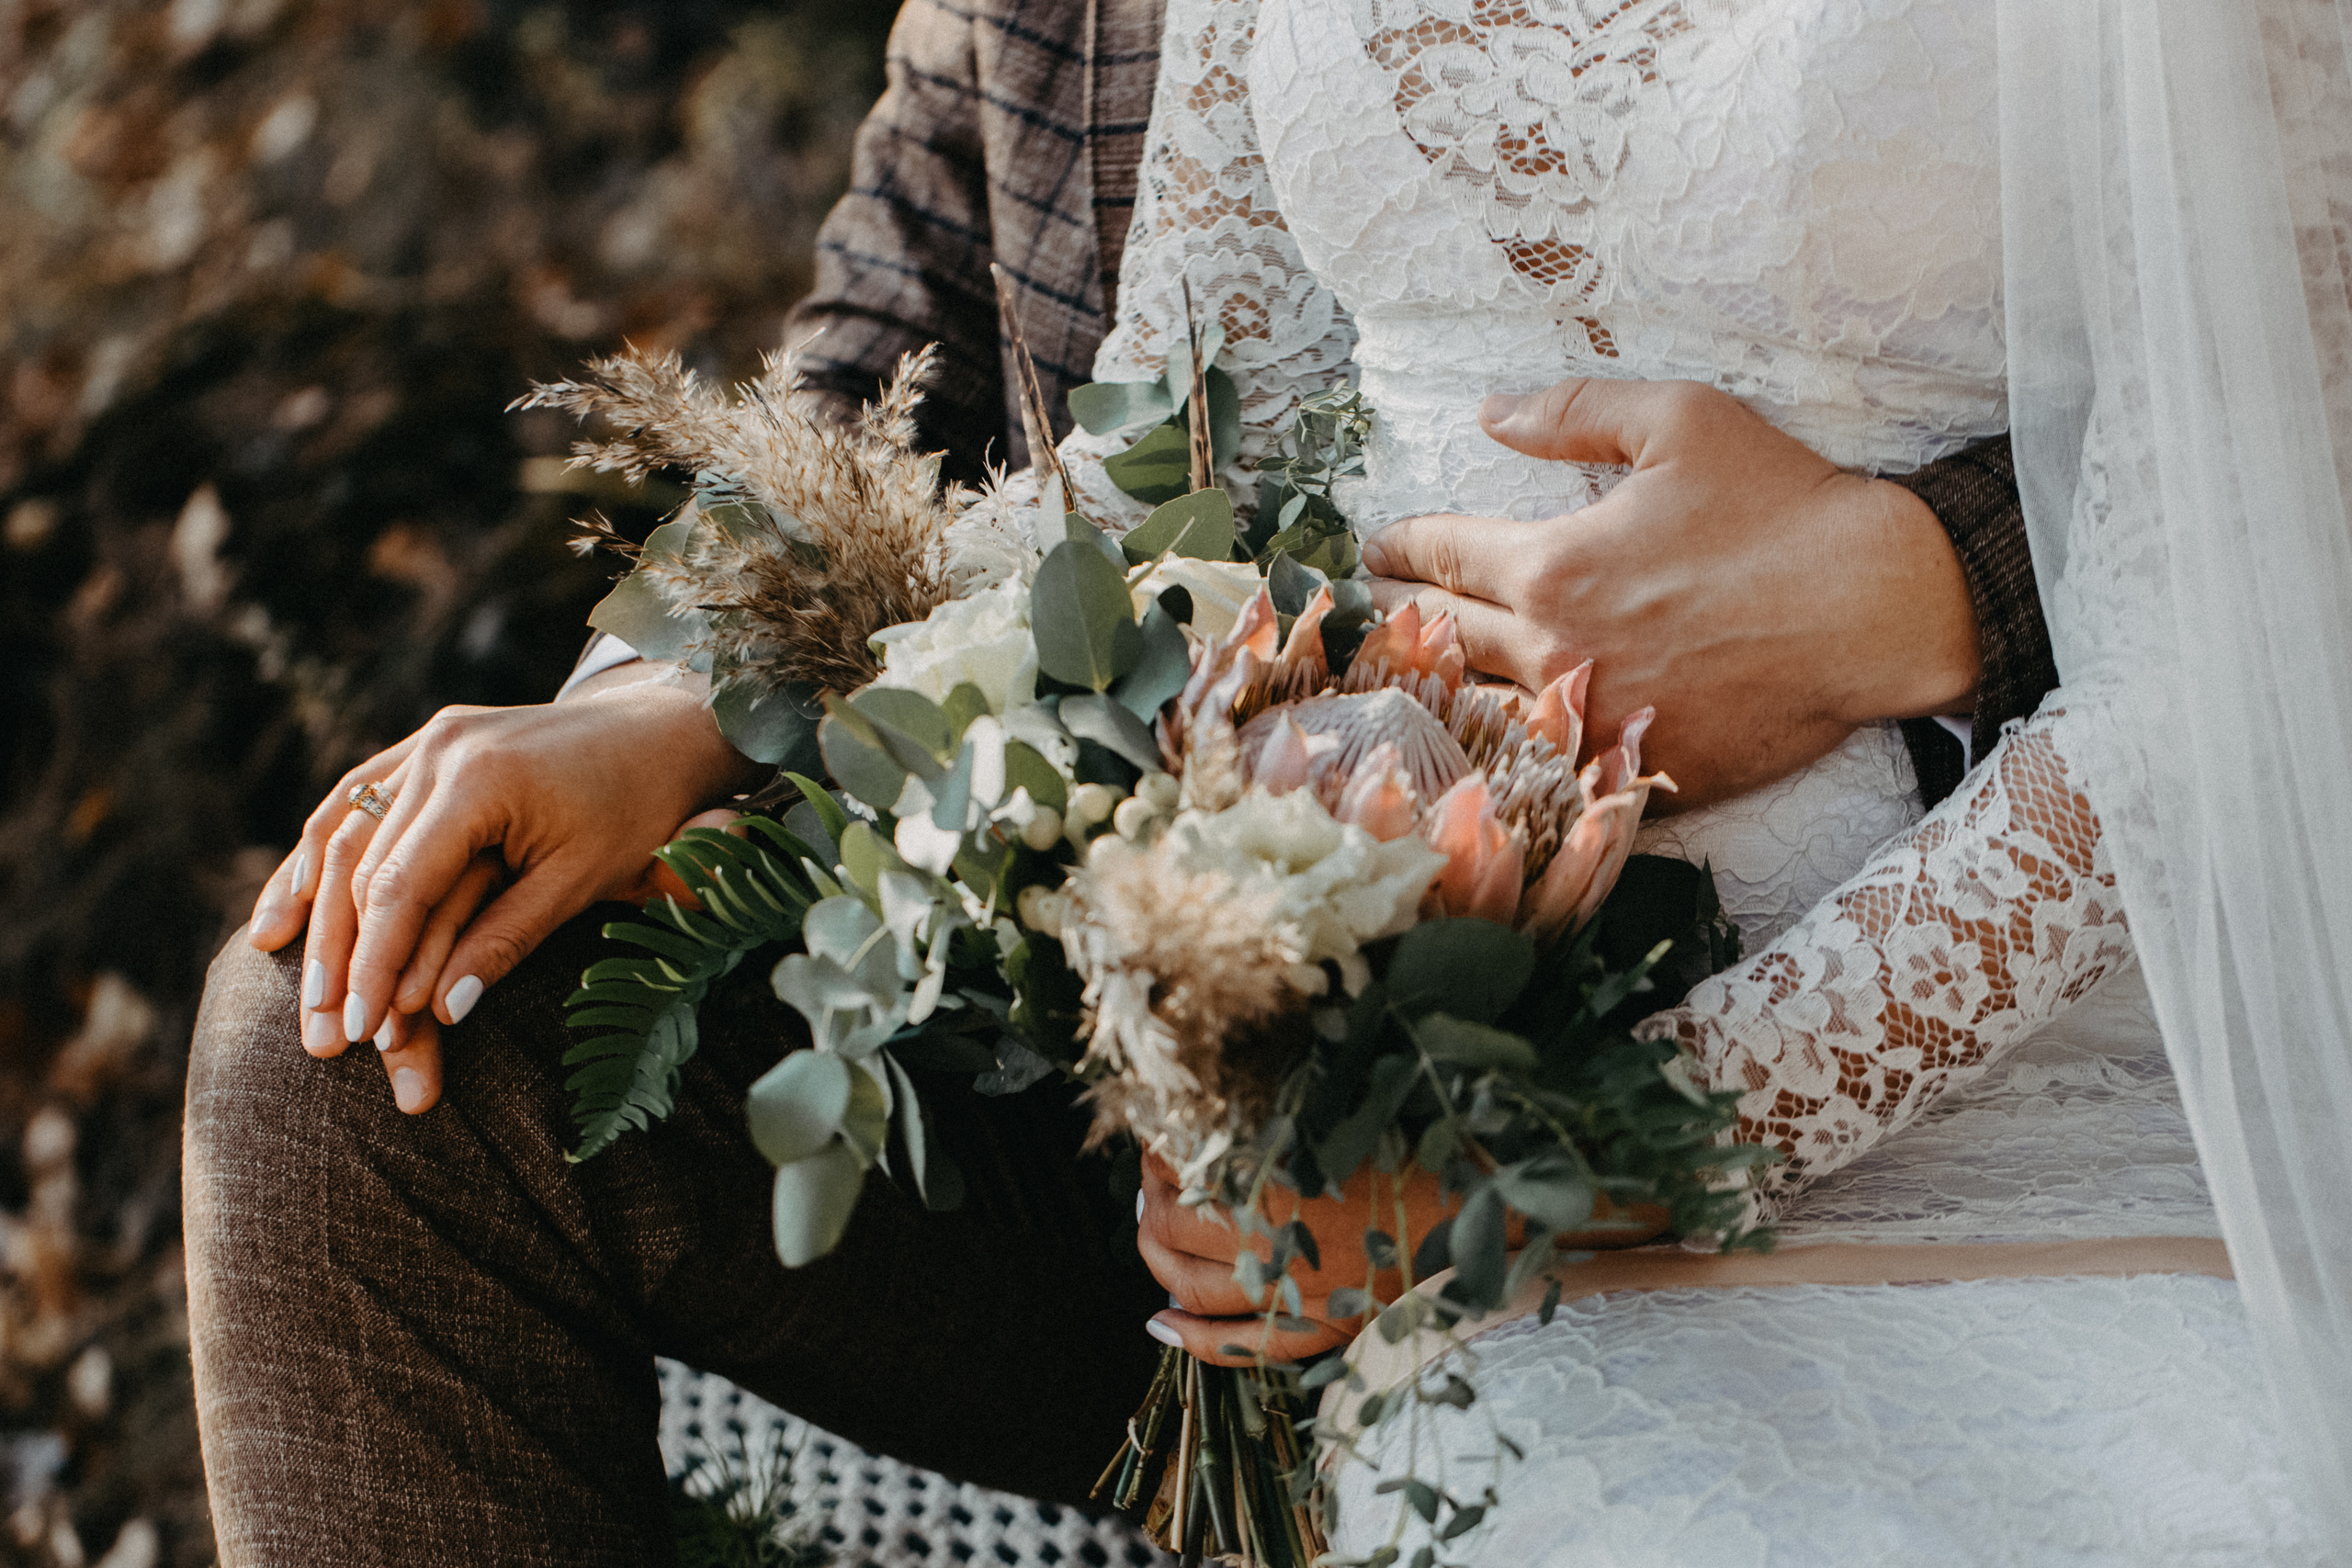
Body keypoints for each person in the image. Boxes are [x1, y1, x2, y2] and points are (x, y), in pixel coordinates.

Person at [177, 6, 2247, 1568]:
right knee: (358, 1018)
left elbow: (2249, 495)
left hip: (1895, 1000)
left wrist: (1921, 584)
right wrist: (671, 702)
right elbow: (1025, 378)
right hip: (1194, 991)